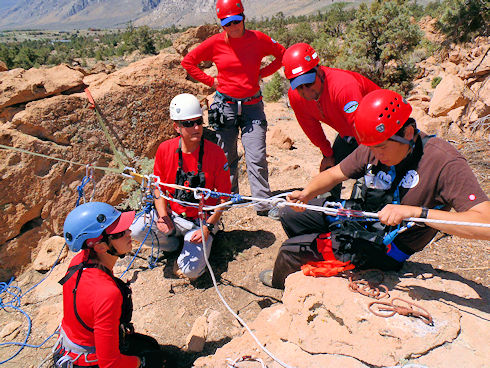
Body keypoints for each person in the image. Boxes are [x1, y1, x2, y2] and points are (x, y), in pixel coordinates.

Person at [260, 89, 490, 289]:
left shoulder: (443, 162)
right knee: (291, 214)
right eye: (371, 148)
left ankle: (286, 279)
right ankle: (318, 262)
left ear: (407, 134)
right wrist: (306, 193)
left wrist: (418, 213)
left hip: (386, 246)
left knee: (290, 251)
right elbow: (335, 173)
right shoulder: (375, 143)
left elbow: (485, 223)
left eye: (380, 148)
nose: (375, 154)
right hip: (361, 218)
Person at [181, 0, 286, 218]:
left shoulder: (258, 39)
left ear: (243, 17)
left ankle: (263, 204)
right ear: (221, 24)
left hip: (252, 106)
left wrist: (262, 73)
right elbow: (189, 62)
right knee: (225, 155)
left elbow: (282, 54)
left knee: (256, 155)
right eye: (227, 24)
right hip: (224, 105)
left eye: (236, 21)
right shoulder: (215, 43)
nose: (232, 27)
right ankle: (227, 198)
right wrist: (211, 81)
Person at [130, 93, 231, 280]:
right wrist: (162, 216)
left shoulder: (215, 153)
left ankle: (198, 243)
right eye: (188, 123)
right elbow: (158, 188)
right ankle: (174, 245)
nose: (196, 127)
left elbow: (224, 198)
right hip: (174, 217)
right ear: (176, 127)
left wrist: (208, 226)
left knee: (190, 271)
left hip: (200, 222)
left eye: (199, 121)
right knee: (136, 229)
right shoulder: (165, 150)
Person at [54, 202, 166, 368]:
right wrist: (142, 363)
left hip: (70, 349)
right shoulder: (107, 293)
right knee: (157, 360)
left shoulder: (78, 262)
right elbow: (110, 363)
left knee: (150, 345)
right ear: (100, 247)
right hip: (88, 361)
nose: (129, 232)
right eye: (120, 232)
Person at [283, 43, 380, 195]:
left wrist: (367, 167)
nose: (306, 91)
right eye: (299, 86)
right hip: (349, 133)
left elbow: (362, 128)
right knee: (328, 170)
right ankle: (324, 208)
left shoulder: (343, 87)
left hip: (378, 132)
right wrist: (327, 154)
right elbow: (310, 127)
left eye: (309, 83)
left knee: (369, 182)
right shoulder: (296, 97)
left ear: (320, 71)